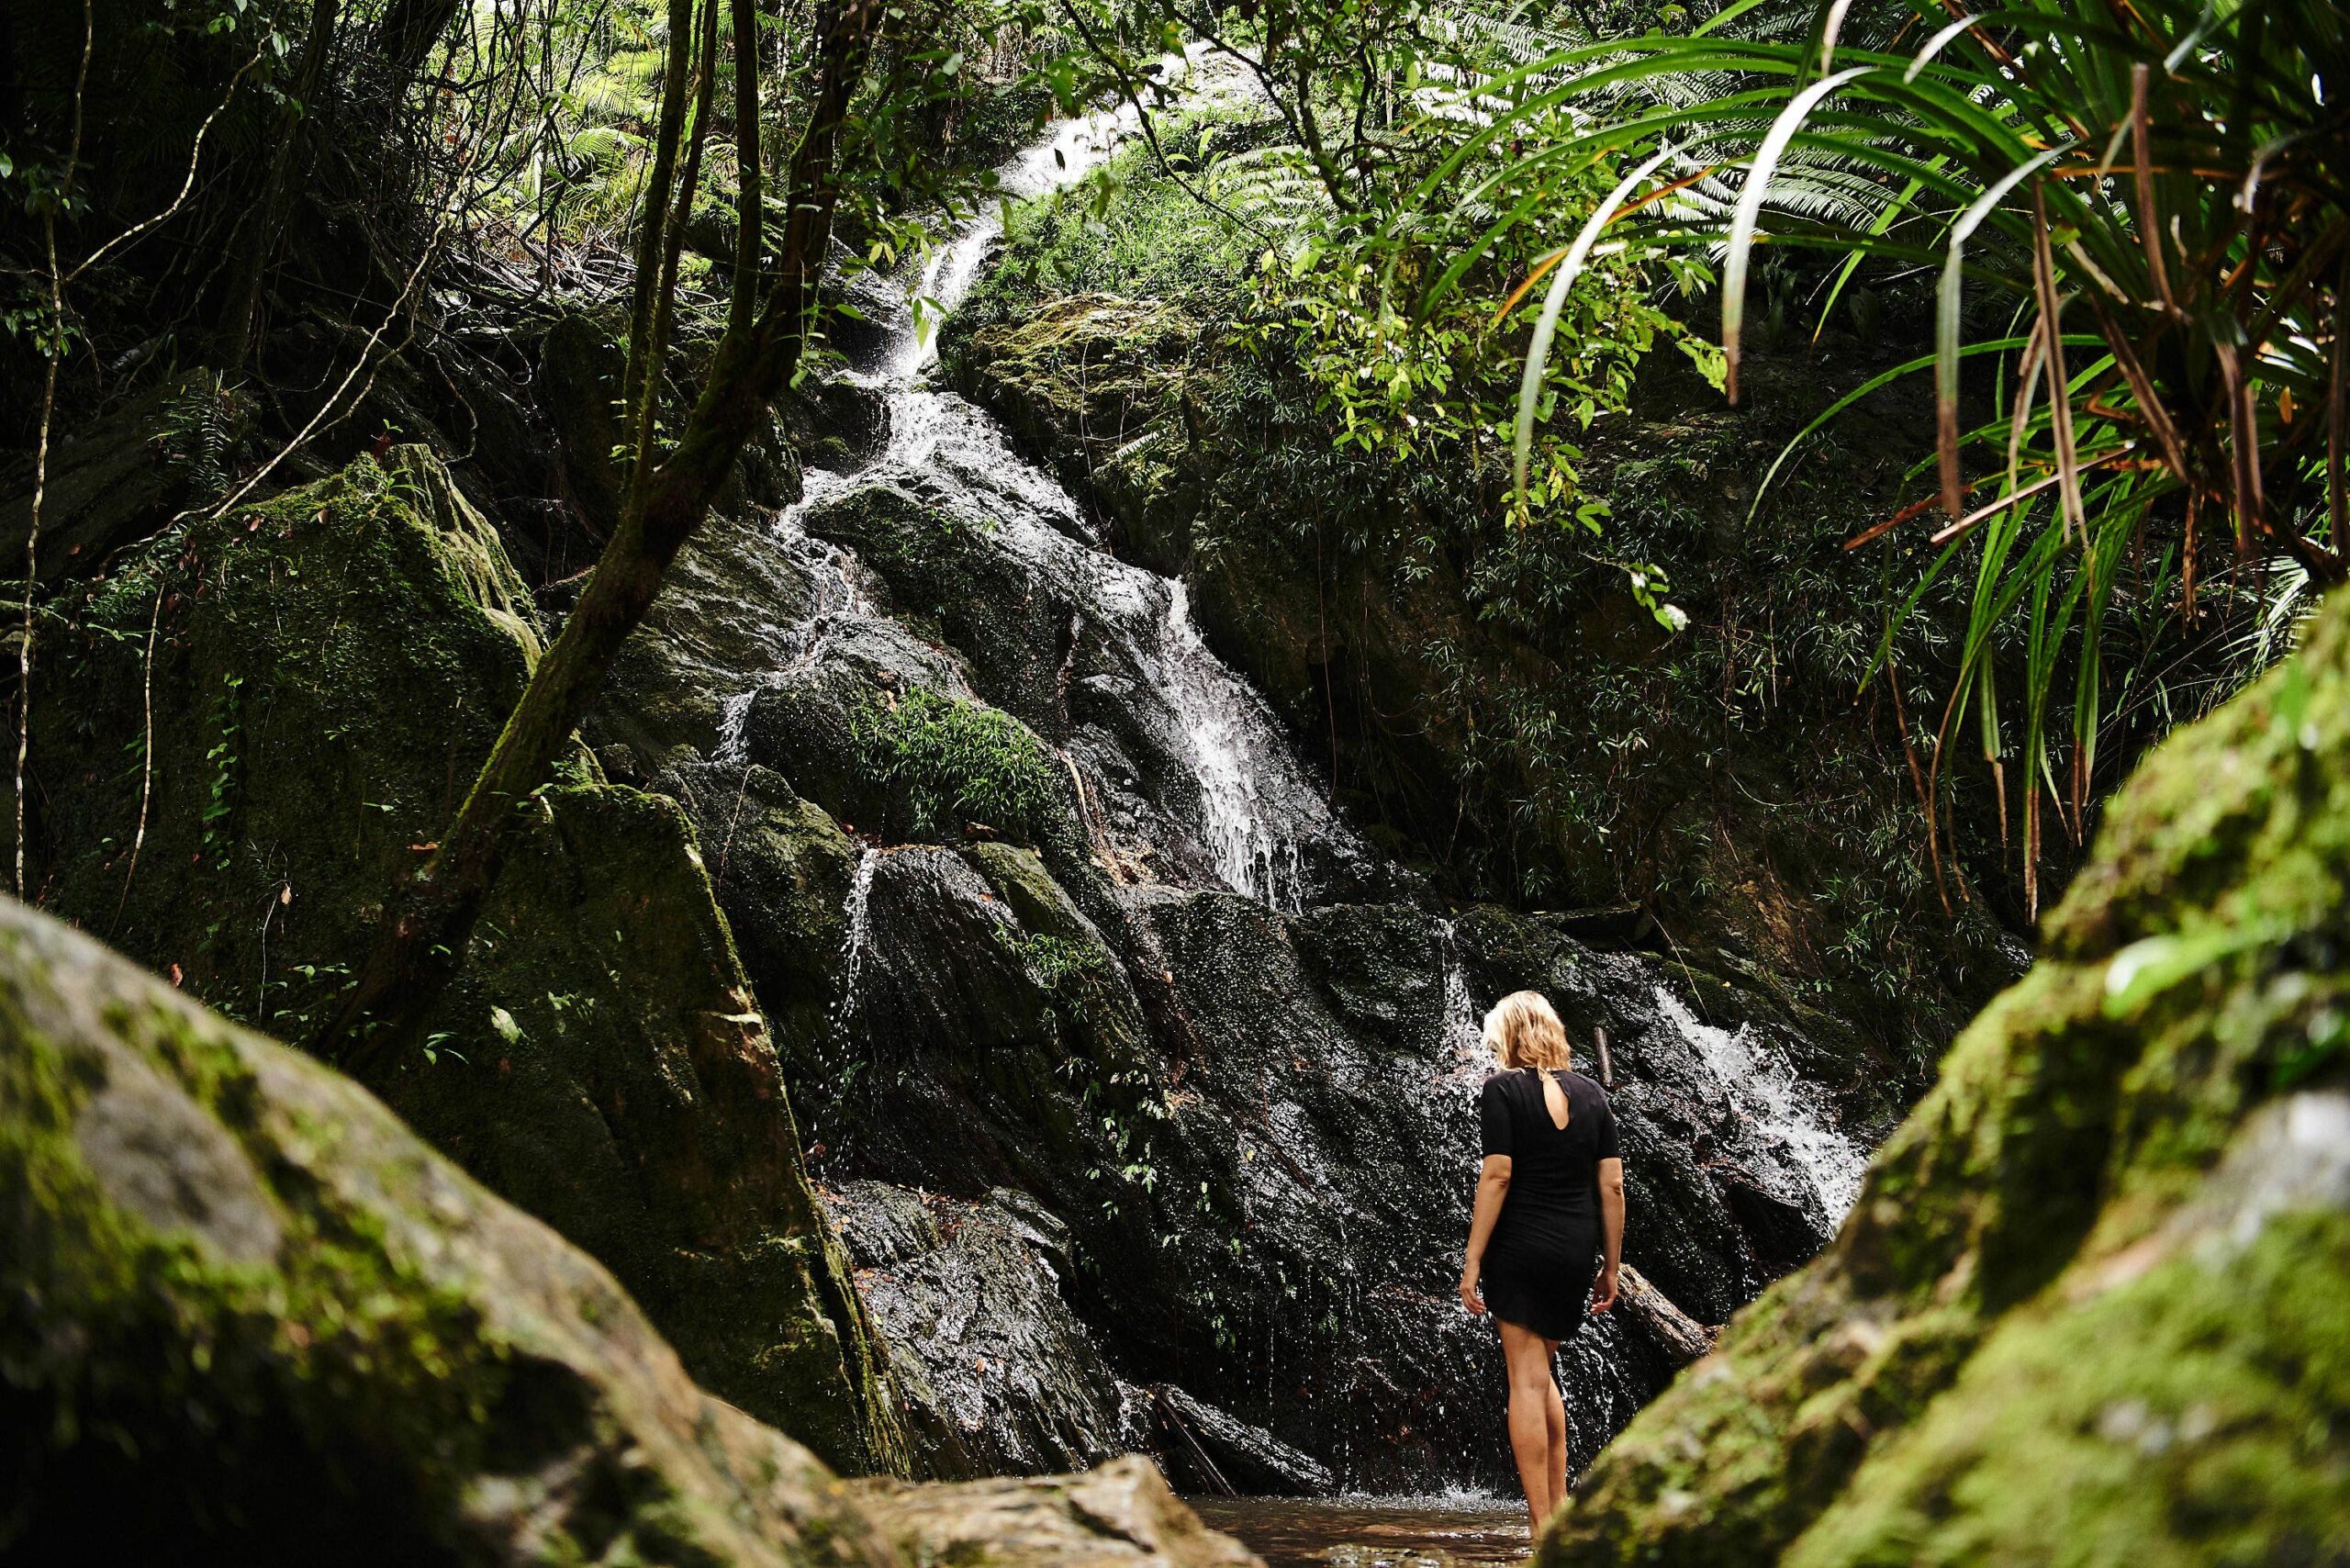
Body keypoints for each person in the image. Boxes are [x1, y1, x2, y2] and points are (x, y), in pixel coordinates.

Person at [1457, 990, 1626, 1531]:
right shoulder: (1594, 1095)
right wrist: (1610, 1265)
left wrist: (1472, 1260)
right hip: (1574, 1250)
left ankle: (1540, 1530)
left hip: (1520, 1247)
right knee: (1543, 1374)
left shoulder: (1502, 1090)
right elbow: (1613, 1186)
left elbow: (1498, 1175)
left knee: (1525, 1382)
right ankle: (1557, 1518)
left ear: (1509, 1036)